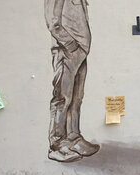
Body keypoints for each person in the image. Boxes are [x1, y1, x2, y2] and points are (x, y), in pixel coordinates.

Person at [45, 0, 100, 162]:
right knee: (62, 99)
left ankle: (74, 138)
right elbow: (53, 22)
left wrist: (80, 48)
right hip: (66, 51)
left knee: (76, 98)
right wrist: (71, 45)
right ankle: (57, 144)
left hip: (80, 51)